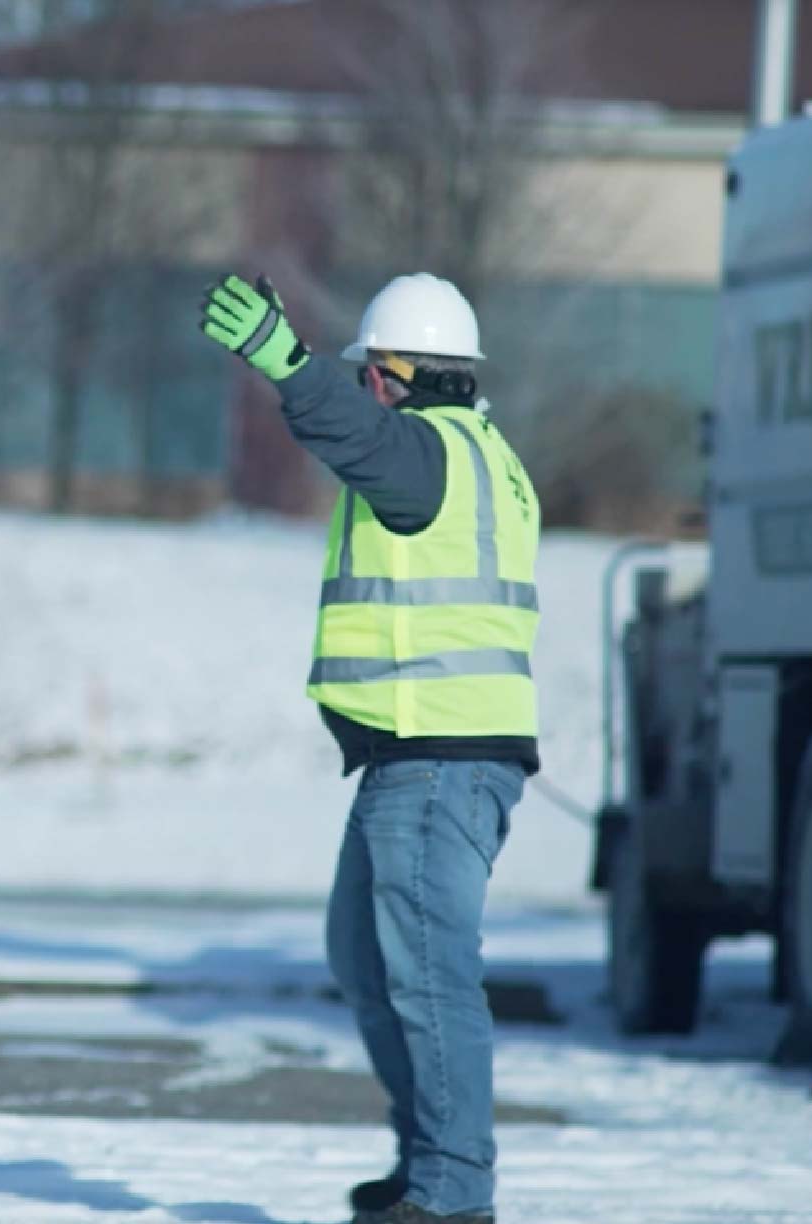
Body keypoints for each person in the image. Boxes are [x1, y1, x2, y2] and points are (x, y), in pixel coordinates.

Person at [199, 273, 541, 1224]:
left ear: (395, 375)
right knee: (363, 953)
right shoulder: (479, 455)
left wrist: (284, 360)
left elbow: (352, 436)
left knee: (428, 973)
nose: (367, 393)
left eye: (370, 376)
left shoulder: (426, 452)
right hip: (416, 752)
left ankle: (453, 1193)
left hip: (439, 754)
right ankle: (428, 1162)